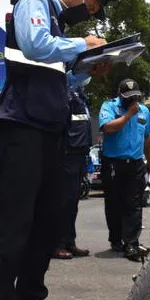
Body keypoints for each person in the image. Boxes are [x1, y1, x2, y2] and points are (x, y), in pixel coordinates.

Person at [0, 0, 118, 300]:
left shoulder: (59, 26)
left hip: (49, 131)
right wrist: (83, 45)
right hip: (21, 128)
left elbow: (58, 75)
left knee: (46, 223)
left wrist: (90, 67)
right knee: (14, 224)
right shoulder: (35, 1)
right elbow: (35, 46)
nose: (91, 15)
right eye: (92, 5)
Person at [99, 79, 150, 261]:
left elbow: (147, 138)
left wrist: (149, 161)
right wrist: (128, 115)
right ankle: (116, 240)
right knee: (114, 203)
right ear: (119, 95)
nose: (131, 101)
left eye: (134, 97)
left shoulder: (144, 111)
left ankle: (131, 243)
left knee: (133, 204)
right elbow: (108, 128)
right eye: (127, 98)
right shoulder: (109, 107)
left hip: (136, 163)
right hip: (113, 163)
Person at [53, 84, 92, 260]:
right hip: (67, 152)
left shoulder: (80, 94)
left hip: (80, 152)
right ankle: (57, 244)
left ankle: (69, 242)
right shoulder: (65, 91)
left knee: (72, 203)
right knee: (63, 202)